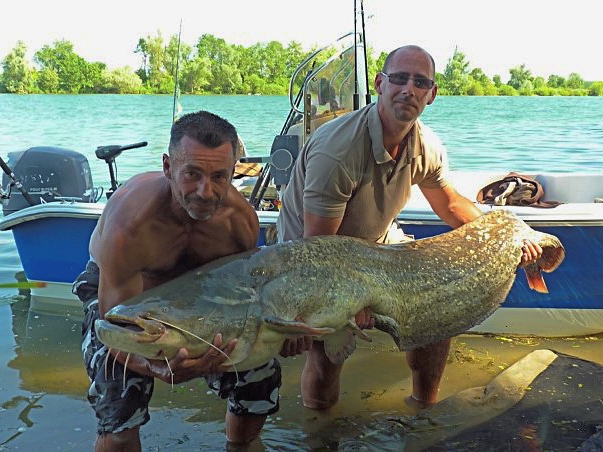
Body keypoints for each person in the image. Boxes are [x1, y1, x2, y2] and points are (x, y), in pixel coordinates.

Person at [276, 45, 543, 411]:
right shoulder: (337, 150)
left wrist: (508, 231)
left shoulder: (427, 146)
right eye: (399, 79)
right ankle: (320, 430)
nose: (409, 89)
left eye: (420, 82)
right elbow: (320, 248)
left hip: (376, 243)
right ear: (379, 83)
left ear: (431, 95)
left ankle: (423, 409)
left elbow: (450, 206)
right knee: (328, 354)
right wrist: (358, 300)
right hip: (311, 253)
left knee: (438, 316)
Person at [72, 111, 281, 451]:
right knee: (120, 401)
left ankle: (241, 443)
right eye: (192, 174)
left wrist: (285, 334)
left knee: (260, 375)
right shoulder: (130, 227)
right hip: (125, 301)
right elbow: (115, 332)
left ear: (233, 172)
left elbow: (244, 301)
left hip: (197, 298)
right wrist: (158, 367)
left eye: (219, 176)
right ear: (168, 167)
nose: (205, 191)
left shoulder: (240, 223)